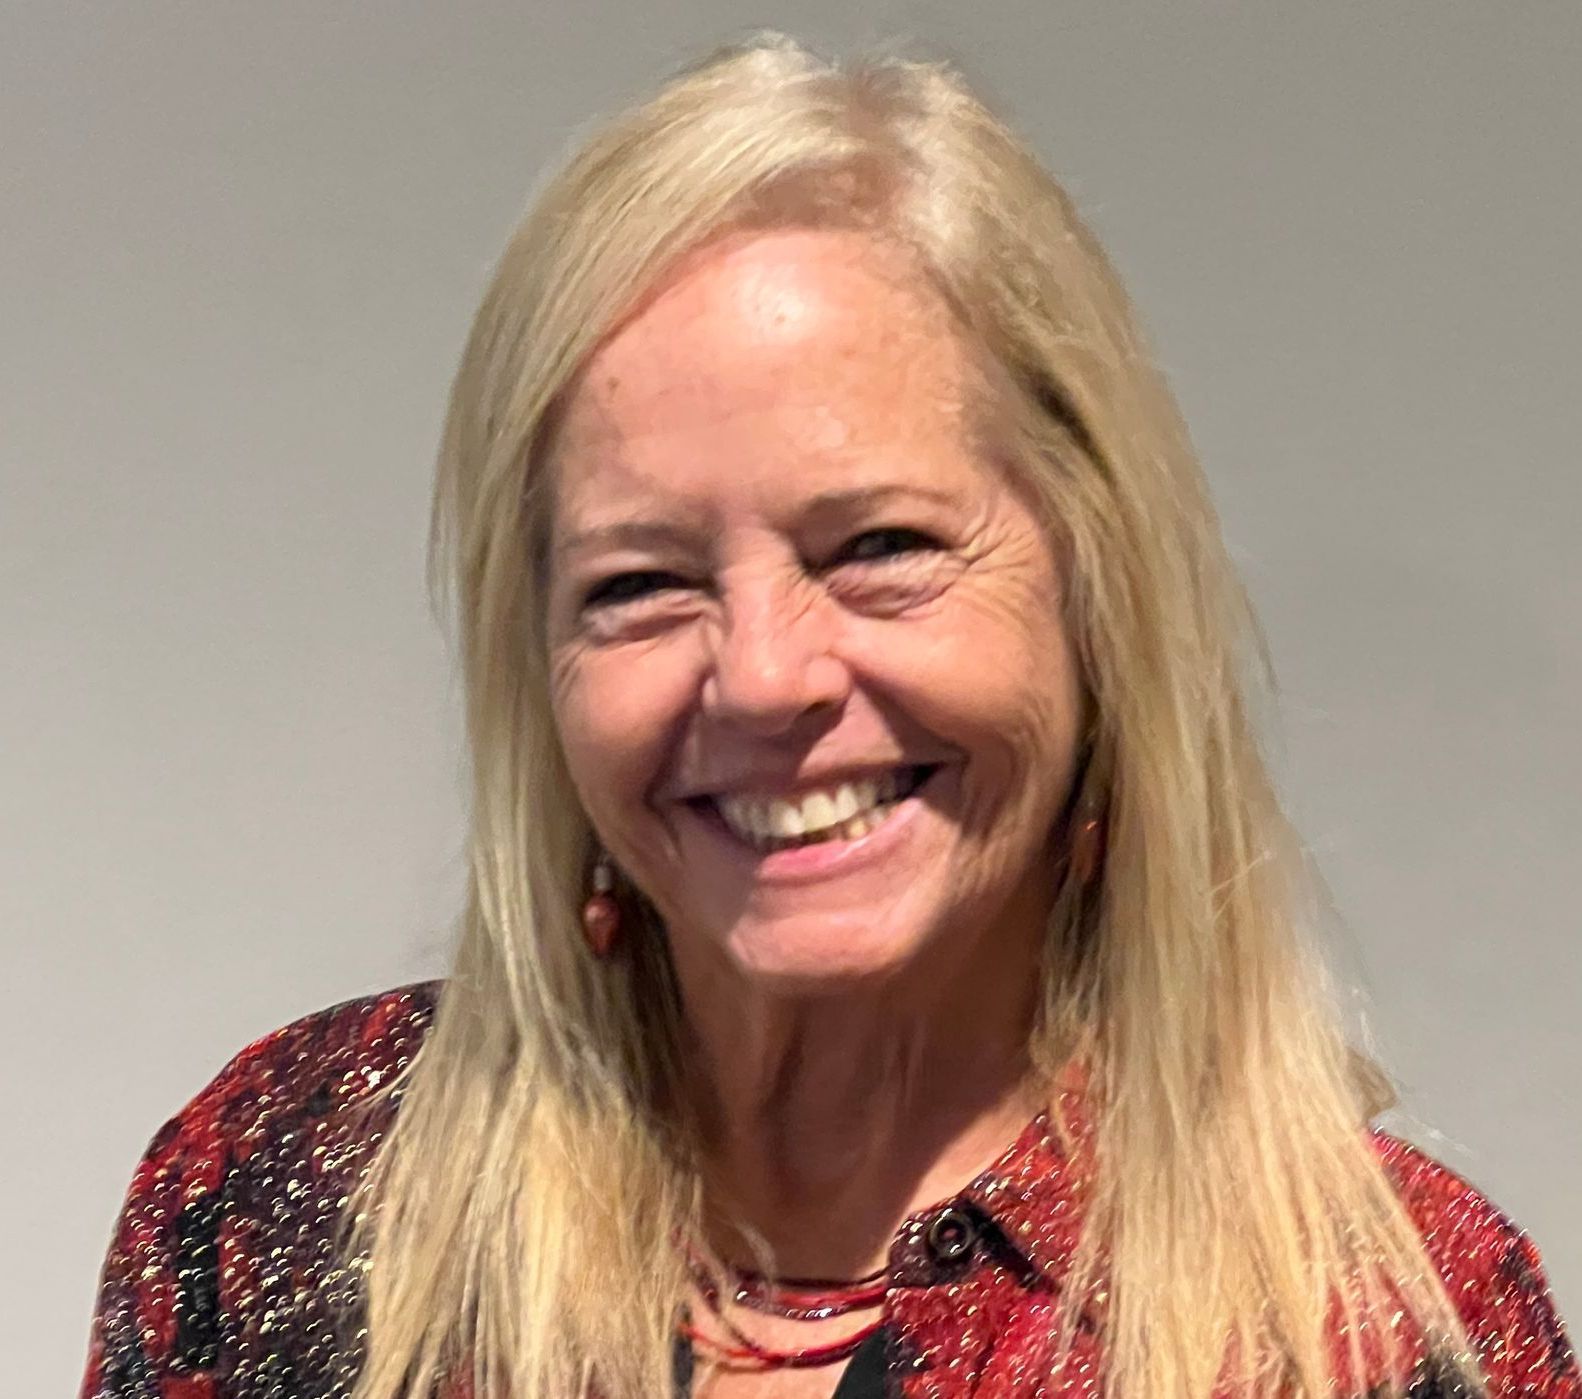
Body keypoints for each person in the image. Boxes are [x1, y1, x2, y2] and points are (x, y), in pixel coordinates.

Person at [80, 34, 1577, 1399]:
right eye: (641, 582)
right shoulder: (291, 1192)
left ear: (1094, 591)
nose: (764, 675)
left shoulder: (1377, 1327)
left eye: (878, 550)